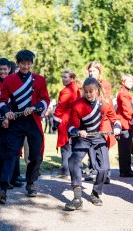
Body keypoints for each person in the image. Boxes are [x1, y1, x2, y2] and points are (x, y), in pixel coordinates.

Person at [0, 49, 50, 204]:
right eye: (23, 63)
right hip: (16, 123)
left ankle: (31, 182)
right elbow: (2, 100)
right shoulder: (10, 80)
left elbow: (45, 100)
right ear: (17, 63)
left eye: (28, 63)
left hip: (33, 121)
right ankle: (2, 189)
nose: (25, 66)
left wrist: (35, 107)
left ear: (32, 64)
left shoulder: (39, 80)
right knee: (10, 154)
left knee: (36, 154)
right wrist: (6, 111)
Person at [65, 77, 121, 211]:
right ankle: (77, 197)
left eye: (91, 91)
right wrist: (78, 131)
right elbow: (71, 124)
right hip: (83, 137)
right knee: (73, 161)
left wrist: (117, 127)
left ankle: (95, 193)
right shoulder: (76, 104)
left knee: (103, 168)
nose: (88, 94)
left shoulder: (105, 103)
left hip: (98, 136)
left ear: (97, 91)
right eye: (86, 92)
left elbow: (115, 119)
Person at [0, 58, 22, 189]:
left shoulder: (15, 82)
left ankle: (14, 178)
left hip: (14, 121)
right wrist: (3, 118)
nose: (2, 71)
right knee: (2, 151)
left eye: (4, 69)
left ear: (9, 69)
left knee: (14, 150)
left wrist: (10, 116)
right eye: (0, 69)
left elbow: (16, 102)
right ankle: (3, 181)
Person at [85, 61, 114, 184]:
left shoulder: (105, 84)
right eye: (90, 71)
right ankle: (94, 171)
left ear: (99, 72)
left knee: (102, 147)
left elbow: (105, 101)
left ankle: (105, 173)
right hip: (90, 119)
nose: (92, 73)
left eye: (94, 71)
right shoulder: (86, 83)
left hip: (103, 119)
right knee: (91, 146)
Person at [53, 70, 80, 178]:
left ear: (72, 79)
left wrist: (55, 120)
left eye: (66, 77)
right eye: (62, 77)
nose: (63, 79)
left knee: (65, 146)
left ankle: (65, 171)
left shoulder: (67, 91)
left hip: (65, 120)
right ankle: (72, 170)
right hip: (74, 120)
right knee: (72, 146)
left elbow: (61, 107)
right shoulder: (76, 88)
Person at [116, 74, 133, 177]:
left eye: (131, 81)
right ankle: (125, 171)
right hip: (125, 123)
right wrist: (132, 119)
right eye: (128, 81)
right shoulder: (123, 93)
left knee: (127, 147)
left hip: (127, 123)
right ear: (123, 82)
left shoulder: (125, 92)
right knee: (125, 148)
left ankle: (126, 170)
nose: (130, 83)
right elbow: (127, 110)